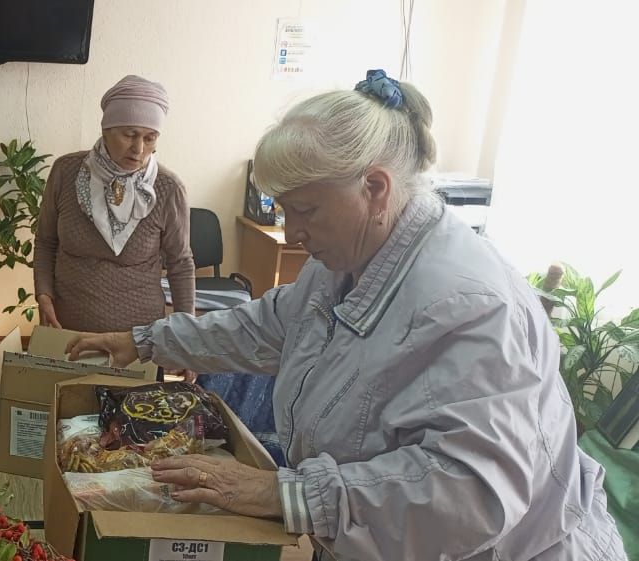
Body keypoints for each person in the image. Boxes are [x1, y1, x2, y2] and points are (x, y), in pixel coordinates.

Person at [66, 70, 625, 560]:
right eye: (284, 211)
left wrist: (281, 493)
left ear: (375, 188)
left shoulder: (469, 307)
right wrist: (143, 341)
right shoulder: (346, 261)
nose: (295, 233)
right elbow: (263, 327)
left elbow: (469, 492)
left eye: (304, 210)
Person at [34, 74, 195, 335]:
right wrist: (43, 294)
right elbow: (45, 240)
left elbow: (180, 263)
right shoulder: (66, 172)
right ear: (106, 130)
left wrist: (188, 336)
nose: (139, 148)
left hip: (139, 340)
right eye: (129, 134)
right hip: (67, 329)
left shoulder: (167, 188)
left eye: (150, 138)